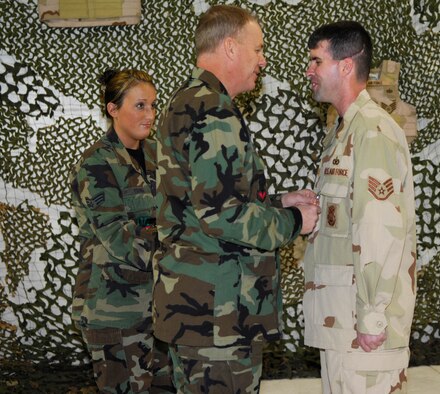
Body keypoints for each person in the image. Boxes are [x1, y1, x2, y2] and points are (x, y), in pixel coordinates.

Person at [153, 5, 320, 393]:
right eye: (258, 49)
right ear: (230, 47)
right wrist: (295, 222)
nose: (263, 60)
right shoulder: (214, 112)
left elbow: (201, 202)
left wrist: (278, 202)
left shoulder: (189, 101)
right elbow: (223, 216)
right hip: (219, 318)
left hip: (196, 306)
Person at [302, 22, 417, 393]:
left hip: (363, 329)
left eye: (316, 61)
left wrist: (372, 316)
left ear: (346, 66)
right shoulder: (341, 130)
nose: (309, 70)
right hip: (342, 324)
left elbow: (381, 228)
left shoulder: (372, 131)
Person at [71, 69, 175, 393]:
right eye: (140, 106)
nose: (150, 115)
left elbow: (190, 208)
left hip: (159, 309)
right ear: (112, 109)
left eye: (153, 105)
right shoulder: (96, 164)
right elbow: (118, 235)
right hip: (115, 313)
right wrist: (172, 239)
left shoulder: (160, 155)